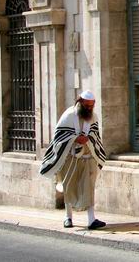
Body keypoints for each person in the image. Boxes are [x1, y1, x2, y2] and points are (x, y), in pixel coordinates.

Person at [40, 90, 107, 229]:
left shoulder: (93, 117)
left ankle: (91, 220)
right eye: (87, 105)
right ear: (80, 102)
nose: (89, 108)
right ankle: (68, 217)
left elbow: (95, 136)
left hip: (88, 159)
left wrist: (88, 139)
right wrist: (75, 138)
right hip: (70, 159)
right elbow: (59, 137)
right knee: (69, 187)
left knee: (89, 188)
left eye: (92, 106)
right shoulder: (68, 115)